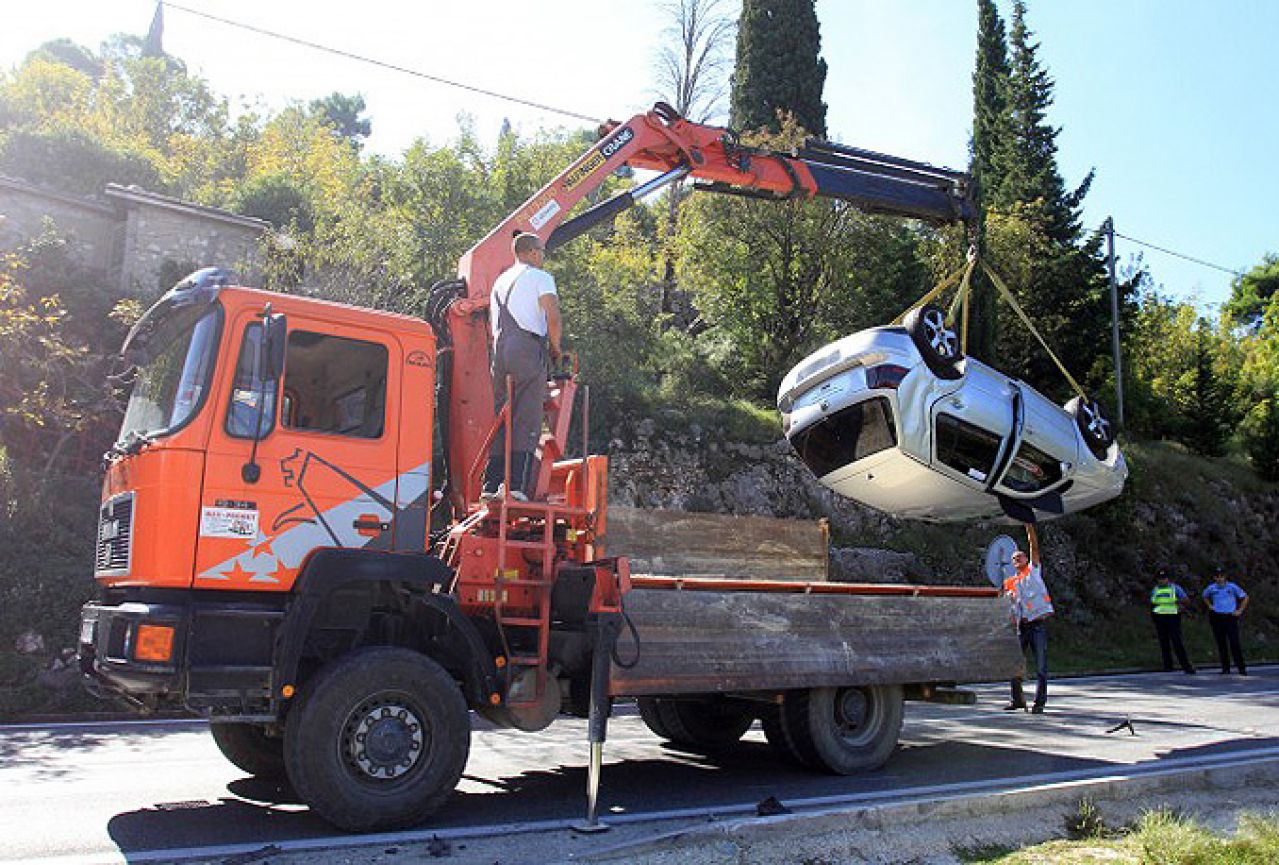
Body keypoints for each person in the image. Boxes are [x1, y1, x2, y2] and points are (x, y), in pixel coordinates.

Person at [482, 232, 563, 502]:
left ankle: (491, 484)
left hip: (499, 353)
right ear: (529, 251)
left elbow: (493, 325)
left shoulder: (499, 281)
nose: (542, 256)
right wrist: (555, 348)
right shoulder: (541, 278)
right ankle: (515, 486)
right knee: (526, 417)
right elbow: (553, 316)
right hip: (526, 349)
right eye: (540, 251)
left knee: (501, 417)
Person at [1002, 524, 1053, 714]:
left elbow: (1034, 547)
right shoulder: (1010, 582)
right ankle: (1017, 700)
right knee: (1014, 664)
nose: (1017, 559)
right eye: (1014, 558)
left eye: (1020, 556)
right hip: (1022, 627)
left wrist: (1029, 525)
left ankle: (1039, 703)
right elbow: (1008, 604)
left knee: (1041, 665)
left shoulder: (1033, 571)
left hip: (1038, 625)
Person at [1202, 570, 1249, 675]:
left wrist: (1240, 610)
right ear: (1214, 578)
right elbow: (1204, 596)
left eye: (1221, 576)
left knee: (1234, 643)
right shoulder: (1212, 588)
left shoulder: (1232, 587)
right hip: (1217, 616)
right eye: (1217, 576)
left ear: (1225, 577)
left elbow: (1245, 597)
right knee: (1221, 643)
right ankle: (1225, 668)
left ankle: (1241, 668)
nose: (1219, 579)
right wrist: (1210, 606)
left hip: (1230, 616)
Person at [1150, 568, 1196, 674]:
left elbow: (1186, 600)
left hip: (1173, 616)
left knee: (1177, 642)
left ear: (1168, 579)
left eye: (1164, 578)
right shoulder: (1155, 590)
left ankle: (1186, 666)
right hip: (1160, 617)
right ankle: (1168, 665)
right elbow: (1152, 602)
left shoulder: (1175, 588)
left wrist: (1177, 601)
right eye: (1160, 579)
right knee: (1164, 642)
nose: (1162, 581)